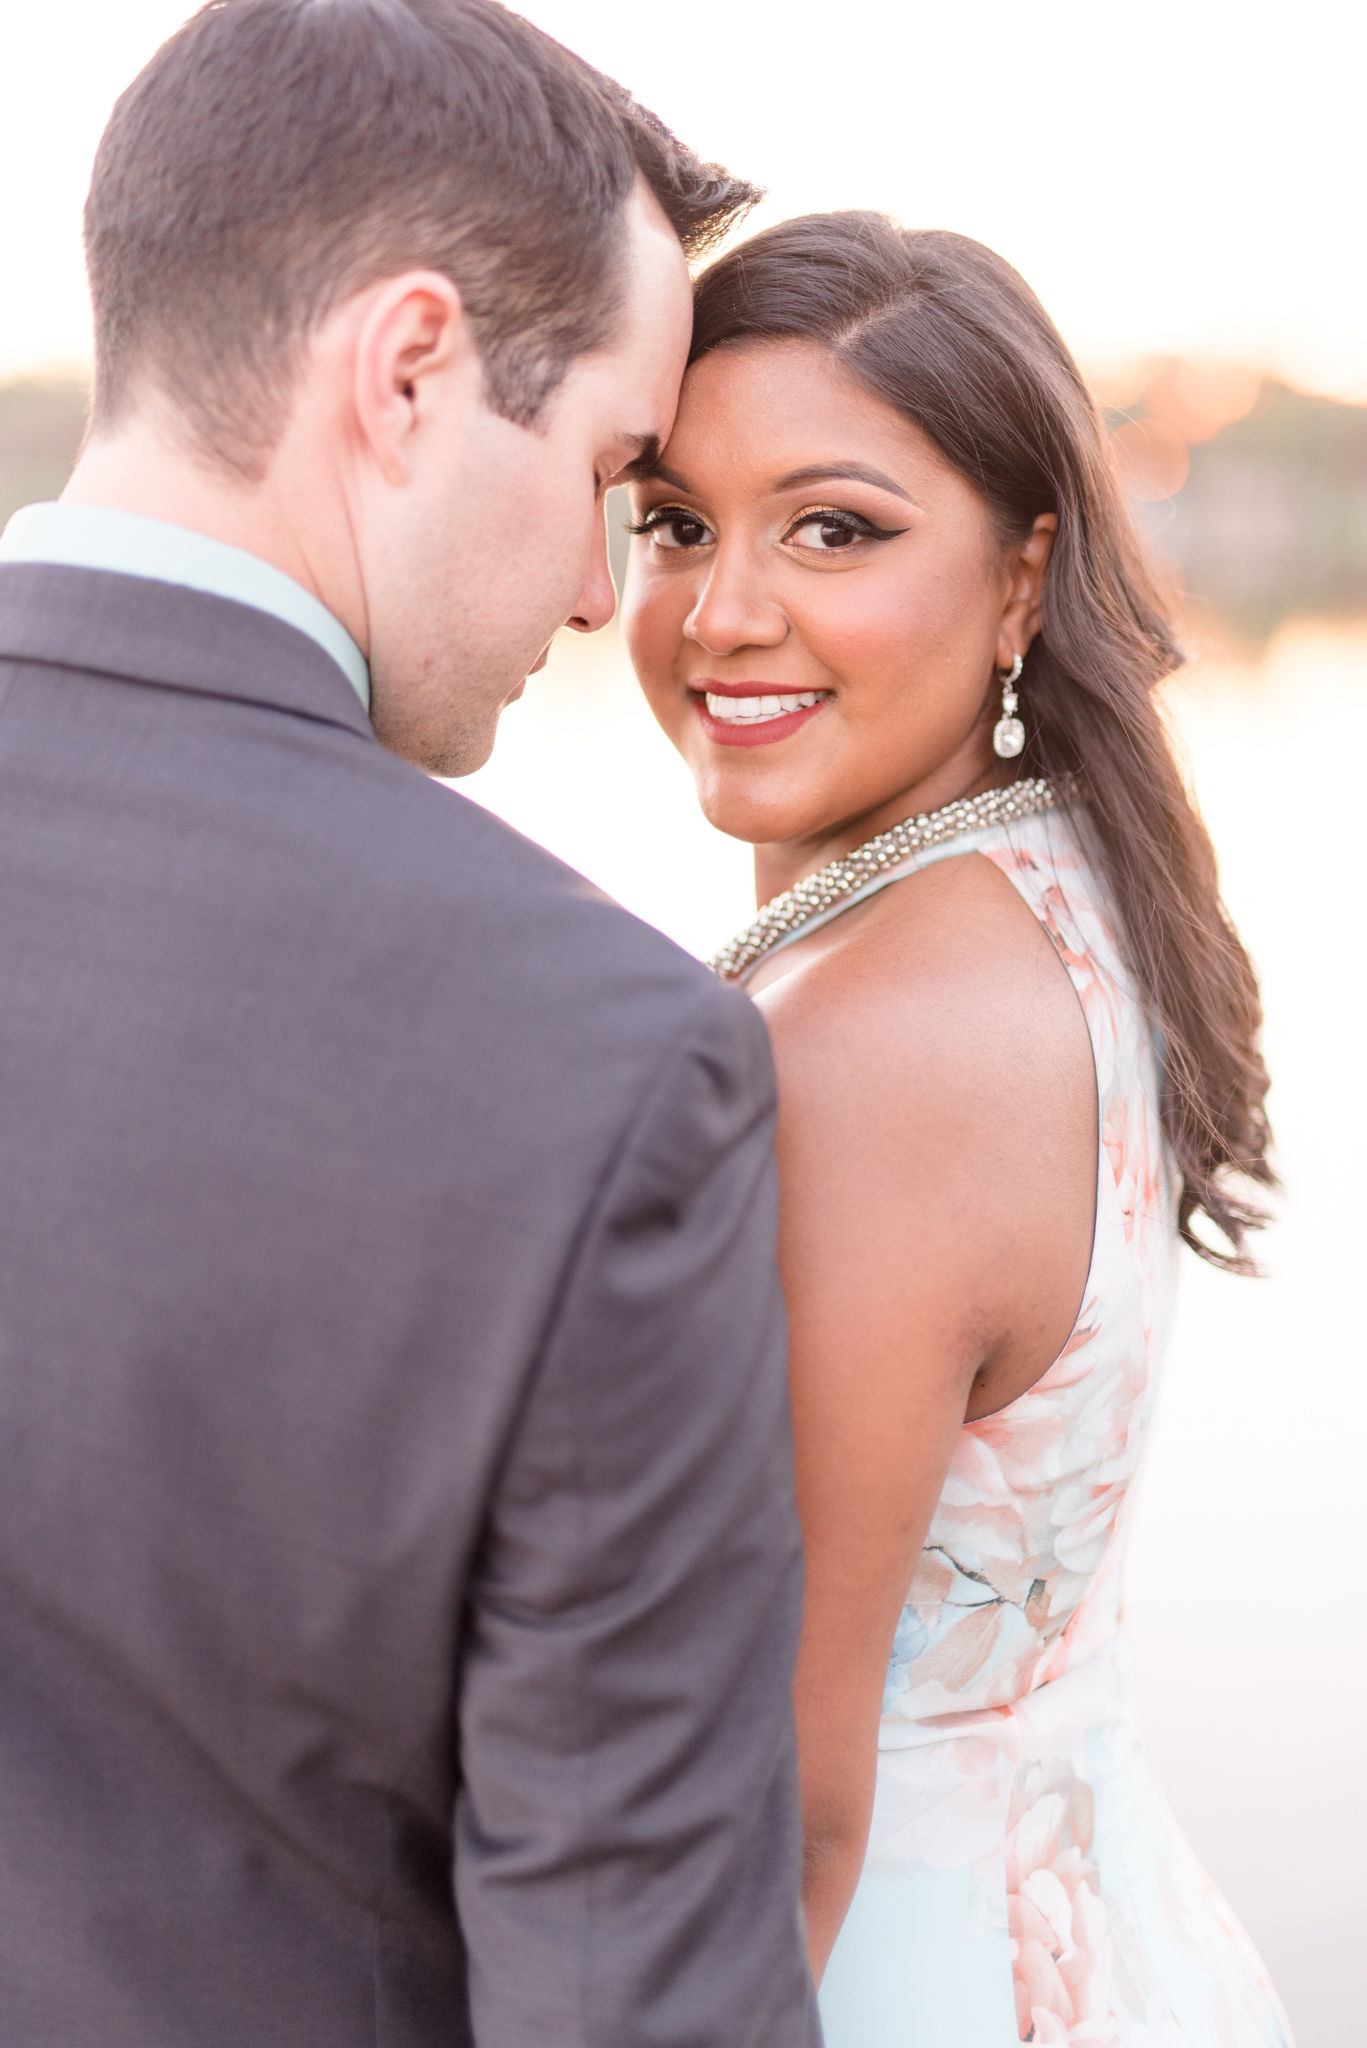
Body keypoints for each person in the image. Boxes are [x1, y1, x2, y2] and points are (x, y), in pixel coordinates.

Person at [0, 5, 821, 2045]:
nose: (584, 594)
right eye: (619, 470)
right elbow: (634, 1995)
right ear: (411, 370)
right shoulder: (602, 1066)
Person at [622, 211, 1294, 2046]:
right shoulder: (1059, 887)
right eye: (675, 521)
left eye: (834, 527)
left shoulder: (865, 1050)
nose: (723, 609)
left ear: (1024, 576)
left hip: (878, 1971)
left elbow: (784, 1785)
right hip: (1078, 1918)